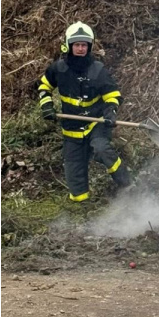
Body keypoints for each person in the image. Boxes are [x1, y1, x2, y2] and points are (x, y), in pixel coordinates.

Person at [37, 22, 131, 202]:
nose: (80, 48)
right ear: (69, 45)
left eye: (84, 45)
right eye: (77, 45)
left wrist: (111, 111)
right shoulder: (58, 69)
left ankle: (126, 185)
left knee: (102, 149)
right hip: (71, 129)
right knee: (74, 170)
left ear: (89, 47)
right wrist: (46, 106)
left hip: (96, 123)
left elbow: (113, 95)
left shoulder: (98, 69)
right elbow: (44, 86)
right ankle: (82, 206)